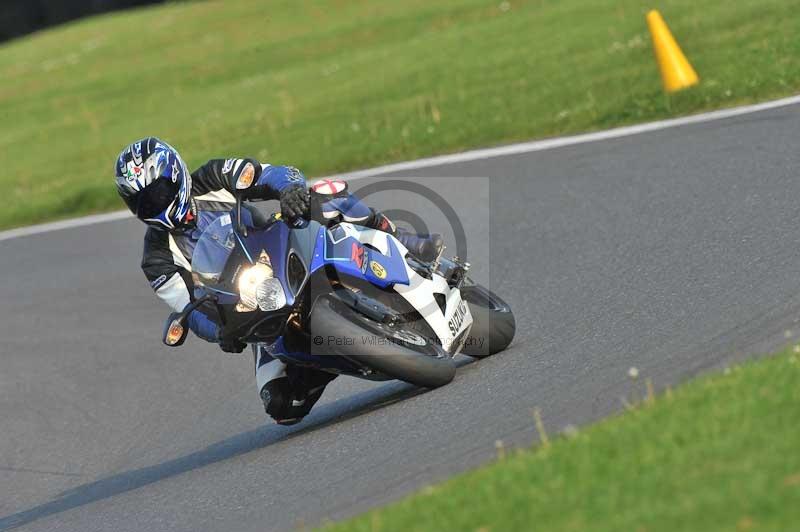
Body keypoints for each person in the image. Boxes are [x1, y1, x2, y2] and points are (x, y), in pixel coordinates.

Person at [115, 137, 442, 424]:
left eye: (158, 192)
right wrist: (221, 332)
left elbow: (271, 173)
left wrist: (290, 192)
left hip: (281, 242)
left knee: (325, 195)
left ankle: (405, 241)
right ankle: (342, 356)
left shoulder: (215, 176)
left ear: (176, 175)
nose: (155, 204)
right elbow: (190, 309)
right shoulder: (157, 260)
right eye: (144, 201)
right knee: (283, 405)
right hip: (250, 304)